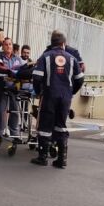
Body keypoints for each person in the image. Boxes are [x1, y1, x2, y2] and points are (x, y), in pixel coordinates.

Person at [31, 31, 84, 168]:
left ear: (52, 43)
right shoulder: (72, 59)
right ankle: (62, 160)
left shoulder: (45, 57)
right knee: (61, 126)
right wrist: (71, 92)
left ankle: (42, 157)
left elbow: (36, 77)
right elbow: (80, 79)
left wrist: (39, 92)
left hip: (49, 95)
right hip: (65, 97)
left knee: (45, 126)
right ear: (63, 44)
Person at [0, 37, 25, 141]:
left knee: (15, 111)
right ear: (3, 46)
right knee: (1, 111)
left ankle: (14, 133)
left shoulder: (17, 59)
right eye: (6, 44)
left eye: (10, 44)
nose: (8, 46)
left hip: (14, 88)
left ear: (12, 46)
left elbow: (22, 72)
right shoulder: (0, 57)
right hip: (3, 87)